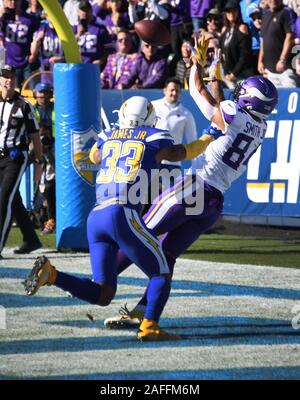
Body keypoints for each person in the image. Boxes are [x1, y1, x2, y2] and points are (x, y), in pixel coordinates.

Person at [100, 36, 279, 329]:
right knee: (166, 253)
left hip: (194, 187)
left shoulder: (233, 112)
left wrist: (197, 65)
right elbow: (222, 104)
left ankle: (101, 284)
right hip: (214, 203)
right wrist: (213, 71)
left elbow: (201, 94)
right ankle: (145, 311)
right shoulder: (260, 126)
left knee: (141, 234)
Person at [23, 94, 216, 341]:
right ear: (149, 118)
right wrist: (209, 136)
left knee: (103, 293)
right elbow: (185, 152)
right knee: (161, 271)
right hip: (122, 211)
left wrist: (118, 135)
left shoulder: (106, 137)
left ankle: (52, 275)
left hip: (97, 215)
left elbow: (94, 156)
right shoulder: (156, 137)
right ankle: (149, 327)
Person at [0, 64, 42, 259]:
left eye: (12, 76)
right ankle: (31, 238)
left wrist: (39, 162)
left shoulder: (24, 105)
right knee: (13, 199)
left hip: (16, 156)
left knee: (4, 199)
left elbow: (35, 136)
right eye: (5, 76)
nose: (9, 80)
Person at [152, 76, 197, 177]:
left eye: (177, 90)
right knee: (149, 192)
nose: (174, 93)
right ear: (165, 90)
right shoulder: (153, 106)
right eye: (171, 90)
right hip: (151, 160)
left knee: (171, 193)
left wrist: (196, 169)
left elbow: (193, 142)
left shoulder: (186, 114)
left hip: (172, 165)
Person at [258, 0, 299, 87]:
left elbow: (290, 37)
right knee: (275, 99)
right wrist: (260, 61)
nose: (273, 0)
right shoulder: (265, 15)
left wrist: (282, 59)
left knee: (289, 97)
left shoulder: (287, 12)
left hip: (286, 69)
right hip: (270, 70)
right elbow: (263, 40)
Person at [0, 0, 41, 87]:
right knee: (12, 90)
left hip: (28, 61)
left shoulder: (30, 19)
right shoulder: (4, 19)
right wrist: (0, 15)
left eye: (15, 0)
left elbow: (38, 37)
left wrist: (34, 53)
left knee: (34, 90)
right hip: (9, 61)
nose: (12, 3)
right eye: (9, 0)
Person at [219, 0, 254, 89]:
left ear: (238, 11)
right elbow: (221, 53)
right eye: (228, 11)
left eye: (233, 10)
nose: (231, 13)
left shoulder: (242, 28)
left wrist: (234, 73)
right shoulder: (224, 29)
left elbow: (245, 54)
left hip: (242, 74)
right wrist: (226, 72)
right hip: (228, 74)